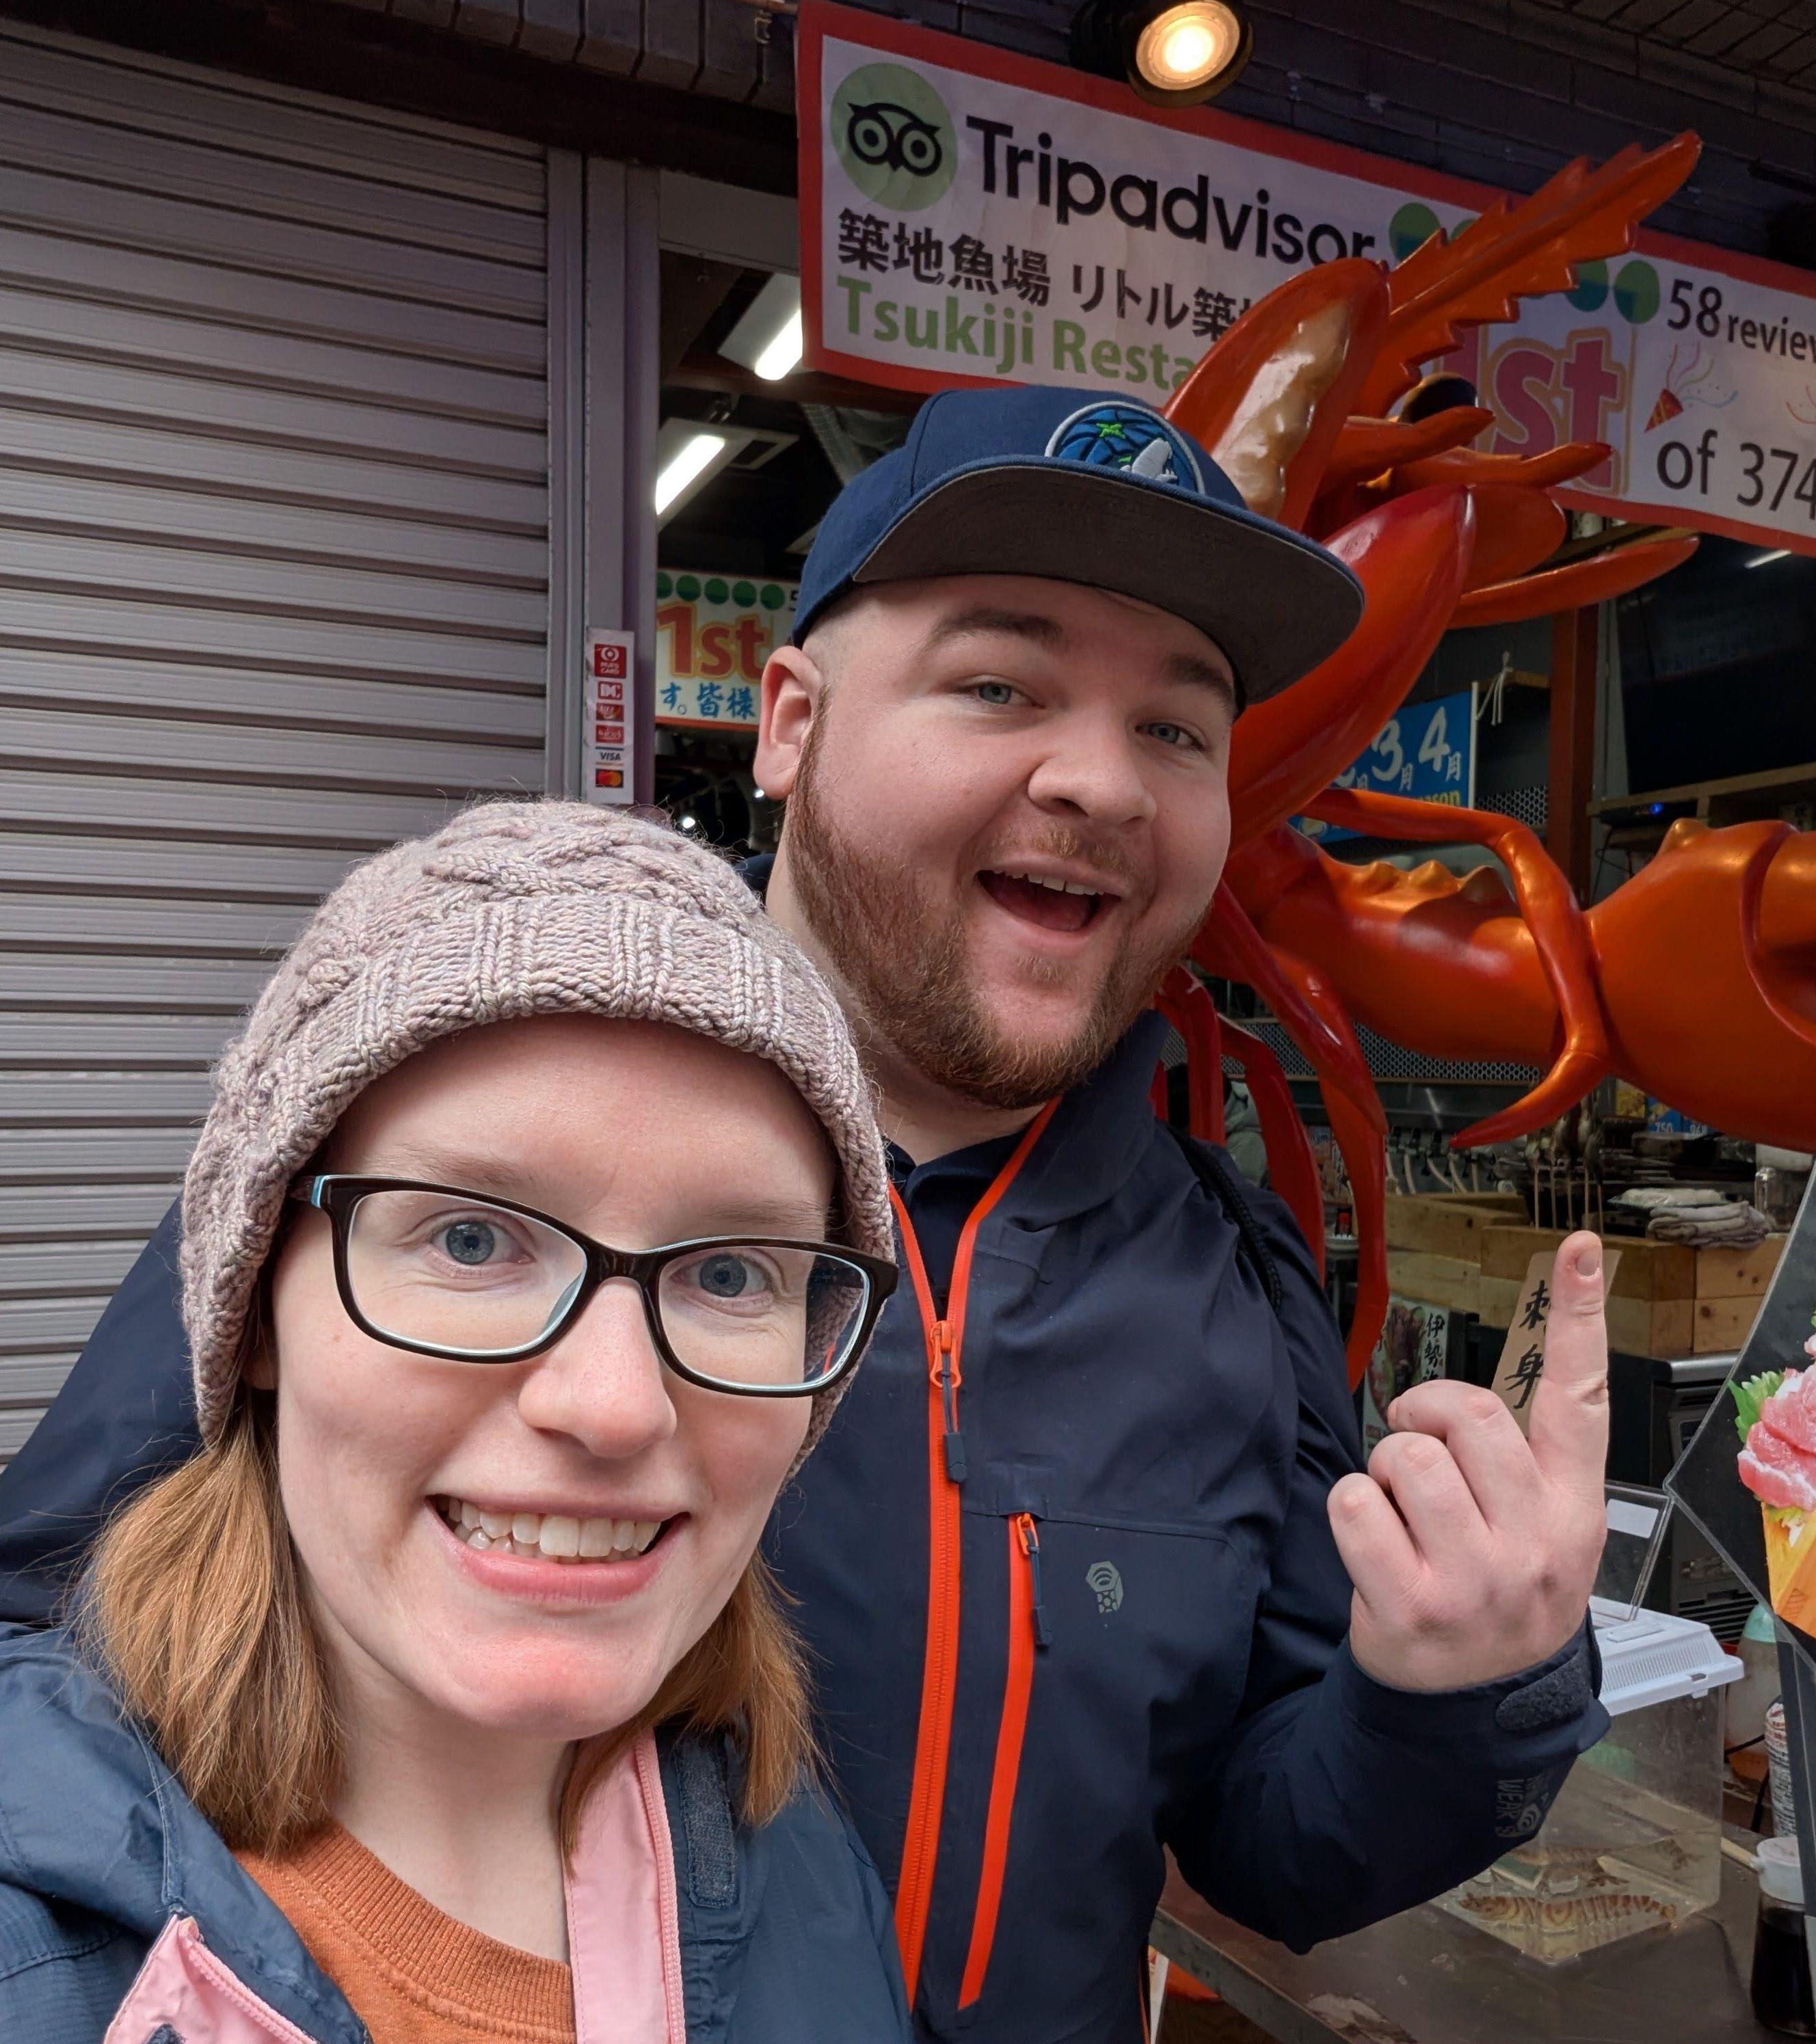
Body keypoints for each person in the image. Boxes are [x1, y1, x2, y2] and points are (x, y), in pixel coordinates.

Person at [0, 386, 1614, 2044]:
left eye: (1178, 729)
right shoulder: (420, 1172)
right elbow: (61, 1663)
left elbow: (1267, 1844)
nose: (1106, 782)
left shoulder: (1232, 1284)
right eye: (1002, 683)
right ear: (788, 720)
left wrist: (1455, 1687)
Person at [0, 803, 911, 2044]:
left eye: (733, 1272)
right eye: (470, 1238)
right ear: (258, 1309)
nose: (612, 1403)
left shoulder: (794, 1861)